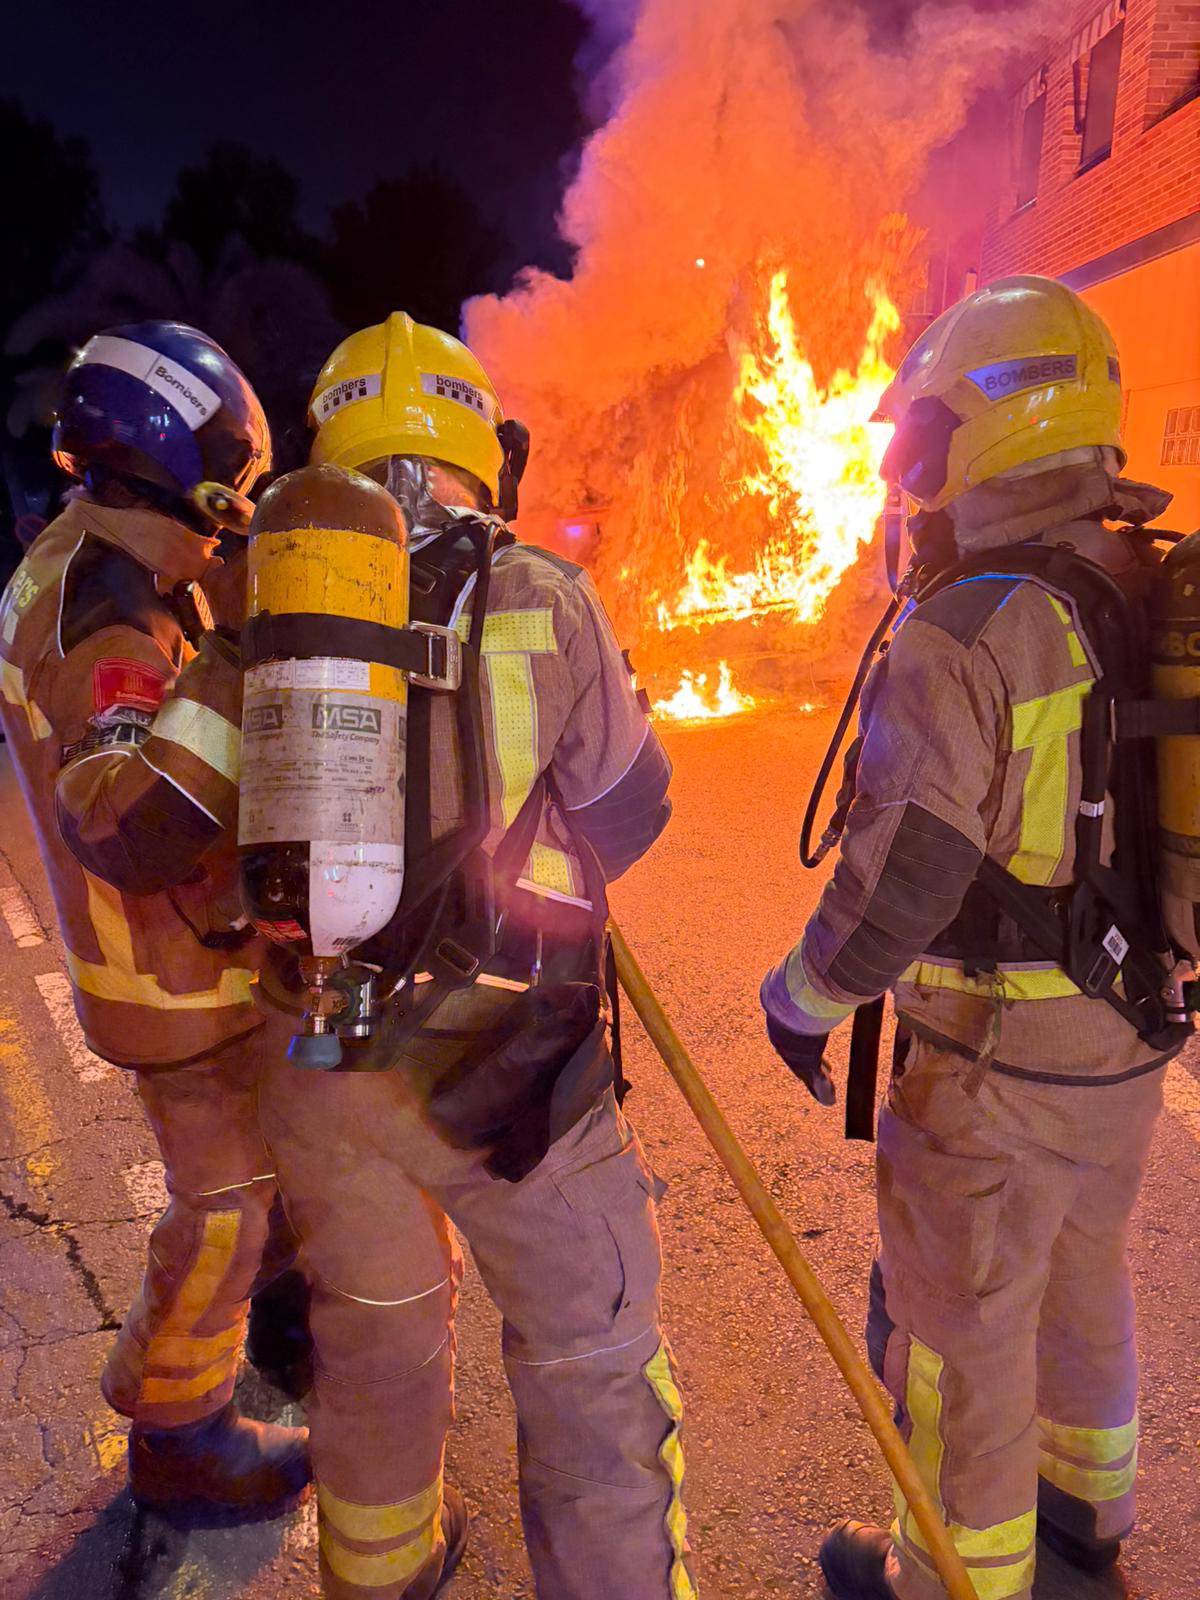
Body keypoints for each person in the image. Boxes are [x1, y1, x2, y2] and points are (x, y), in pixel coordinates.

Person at [255, 312, 692, 1600]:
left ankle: (385, 1574)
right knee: (587, 1363)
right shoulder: (539, 592)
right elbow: (629, 815)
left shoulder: (263, 598)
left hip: (321, 1060)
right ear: (476, 450)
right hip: (504, 1069)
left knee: (375, 1346)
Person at [760, 277, 1182, 1600]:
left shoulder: (969, 621)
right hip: (1121, 1039)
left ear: (998, 424)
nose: (912, 474)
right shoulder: (1134, 582)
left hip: (994, 1062)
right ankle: (1084, 1524)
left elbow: (910, 871)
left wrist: (803, 996)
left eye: (928, 438)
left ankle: (949, 1577)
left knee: (958, 1340)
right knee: (1080, 1276)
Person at [0, 322, 310, 1514]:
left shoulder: (90, 562)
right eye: (225, 500)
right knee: (224, 1205)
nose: (227, 524)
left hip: (174, 960)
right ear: (176, 475)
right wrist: (235, 653)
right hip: (173, 974)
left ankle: (275, 1322)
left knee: (266, 1164)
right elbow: (129, 818)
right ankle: (181, 1433)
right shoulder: (110, 615)